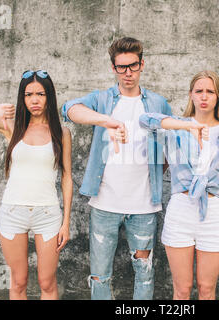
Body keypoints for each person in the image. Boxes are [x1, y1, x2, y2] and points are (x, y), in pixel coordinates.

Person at [61, 37, 172, 300]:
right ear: (113, 68)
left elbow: (171, 147)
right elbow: (68, 109)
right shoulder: (102, 99)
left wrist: (156, 172)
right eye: (121, 67)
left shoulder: (158, 103)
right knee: (100, 275)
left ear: (142, 64)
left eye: (133, 65)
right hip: (104, 204)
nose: (128, 73)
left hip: (144, 205)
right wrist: (106, 121)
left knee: (144, 274)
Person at [0, 70, 73, 300]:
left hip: (47, 214)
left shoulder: (61, 133)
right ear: (22, 98)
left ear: (49, 96)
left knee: (47, 282)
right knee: (18, 282)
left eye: (40, 94)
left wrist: (66, 223)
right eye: (28, 94)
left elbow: (67, 177)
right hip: (13, 212)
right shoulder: (11, 128)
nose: (34, 100)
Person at [139, 70, 219, 300]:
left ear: (218, 97)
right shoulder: (176, 127)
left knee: (207, 290)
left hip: (214, 213)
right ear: (191, 95)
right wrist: (186, 127)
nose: (204, 96)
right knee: (182, 290)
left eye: (210, 91)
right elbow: (144, 120)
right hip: (181, 209)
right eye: (199, 91)